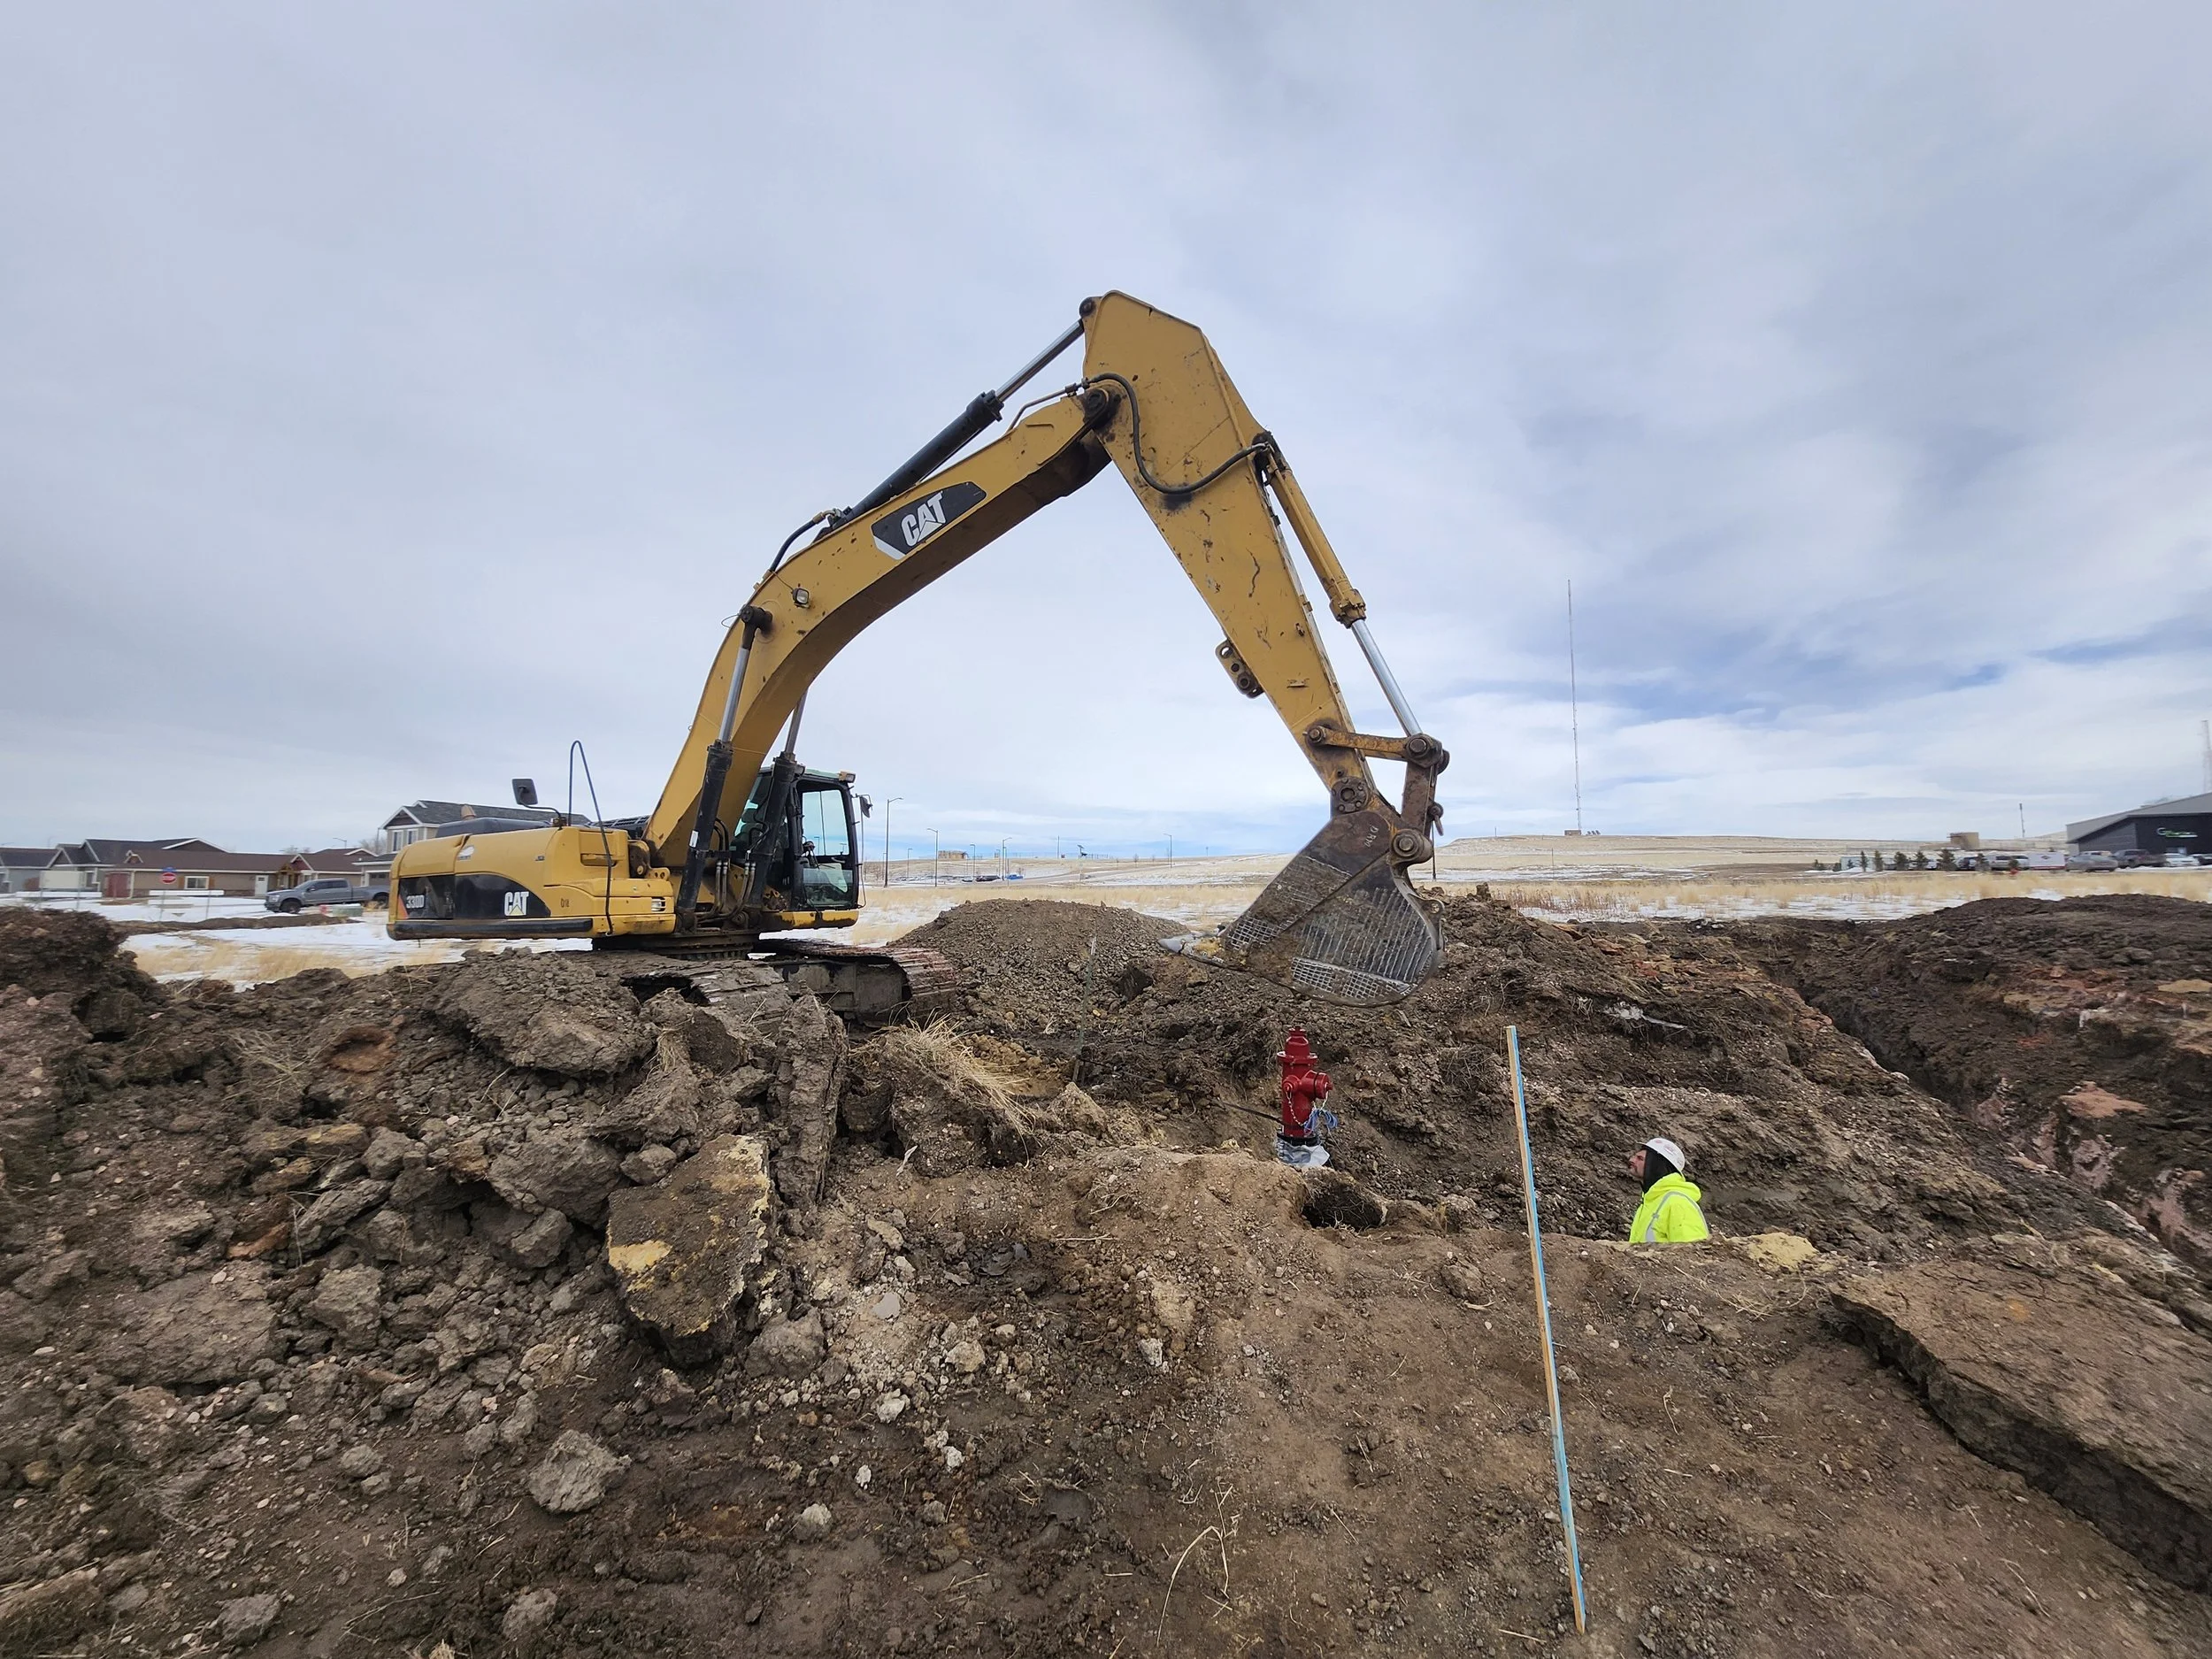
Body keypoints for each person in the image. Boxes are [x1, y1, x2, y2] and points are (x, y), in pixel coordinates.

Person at [1627, 1136, 1709, 1243]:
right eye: (1635, 1156)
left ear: (1657, 1166)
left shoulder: (1677, 1203)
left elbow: (1691, 1253)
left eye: (1640, 1159)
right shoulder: (1649, 1202)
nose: (1631, 1160)